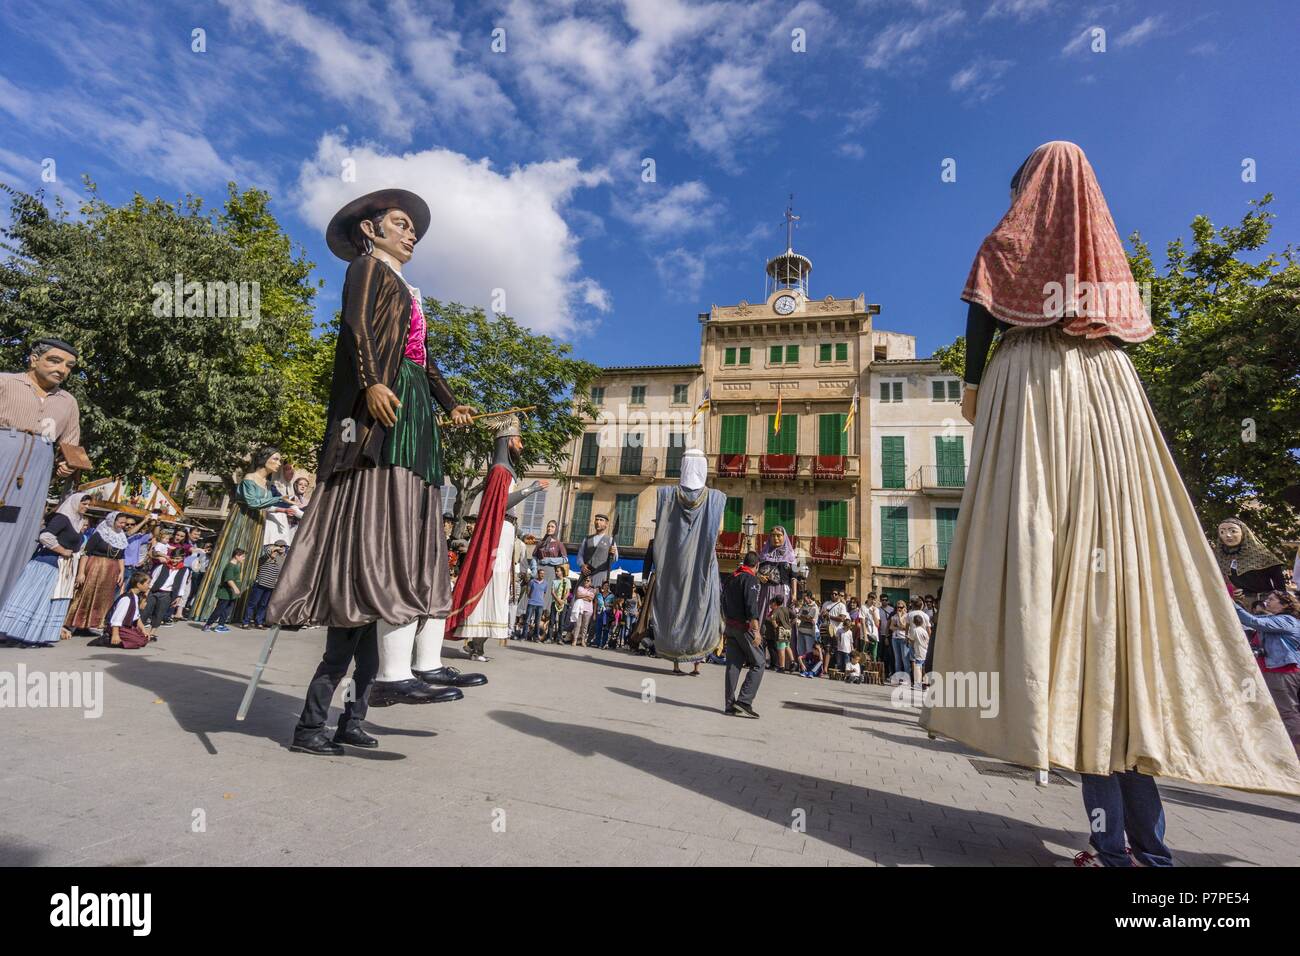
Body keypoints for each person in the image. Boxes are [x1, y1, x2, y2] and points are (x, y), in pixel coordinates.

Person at [920, 141, 1300, 869]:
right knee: (1120, 647)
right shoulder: (1109, 270)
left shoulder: (1009, 247)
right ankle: (1147, 853)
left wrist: (975, 390)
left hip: (1034, 397)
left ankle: (1114, 850)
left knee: (1078, 641)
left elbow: (981, 323)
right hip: (1109, 408)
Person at [264, 190, 478, 754]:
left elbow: (424, 360)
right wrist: (371, 382)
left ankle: (353, 721)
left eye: (415, 231)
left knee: (364, 638)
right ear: (372, 227)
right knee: (343, 645)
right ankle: (312, 728)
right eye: (403, 225)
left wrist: (450, 401)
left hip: (410, 401)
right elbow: (357, 328)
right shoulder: (367, 268)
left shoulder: (411, 291)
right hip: (383, 399)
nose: (412, 236)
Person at [448, 415, 546, 661]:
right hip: (498, 535)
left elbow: (505, 511)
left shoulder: (505, 471)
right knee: (491, 583)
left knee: (499, 586)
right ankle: (475, 643)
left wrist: (521, 533)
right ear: (508, 441)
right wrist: (531, 489)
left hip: (506, 533)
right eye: (519, 440)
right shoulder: (499, 471)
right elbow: (500, 505)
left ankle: (477, 643)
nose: (522, 446)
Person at [0, 339, 84, 611]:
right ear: (33, 359)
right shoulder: (6, 382)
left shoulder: (68, 402)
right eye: (54, 360)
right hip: (4, 451)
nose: (62, 369)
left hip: (38, 467)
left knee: (19, 535)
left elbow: (70, 443)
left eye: (69, 366)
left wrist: (67, 465)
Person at [191, 447, 300, 622]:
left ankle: (235, 612)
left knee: (249, 562)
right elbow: (252, 501)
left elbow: (262, 504)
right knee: (233, 556)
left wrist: (280, 508)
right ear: (264, 459)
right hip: (242, 522)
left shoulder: (266, 483)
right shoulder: (250, 478)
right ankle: (211, 609)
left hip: (256, 523)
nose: (279, 464)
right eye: (276, 459)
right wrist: (280, 500)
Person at [651, 448, 726, 678]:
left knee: (673, 606)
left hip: (673, 565)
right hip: (702, 564)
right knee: (701, 605)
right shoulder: (716, 498)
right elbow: (719, 531)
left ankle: (675, 663)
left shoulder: (665, 495)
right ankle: (697, 663)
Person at [0, 492, 90, 646]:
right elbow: (45, 536)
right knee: (35, 599)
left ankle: (35, 636)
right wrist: (61, 550)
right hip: (46, 564)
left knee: (47, 602)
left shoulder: (78, 522)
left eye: (88, 504)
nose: (86, 507)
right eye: (84, 503)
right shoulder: (62, 518)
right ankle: (15, 633)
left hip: (62, 568)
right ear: (75, 502)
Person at [1233, 590, 1300, 758]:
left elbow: (1252, 621)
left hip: (1282, 672)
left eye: (1272, 599)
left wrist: (1227, 600)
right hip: (1268, 672)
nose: (1266, 601)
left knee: (1287, 711)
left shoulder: (1286, 620)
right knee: (1258, 705)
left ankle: (1296, 752)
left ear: (1285, 604)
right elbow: (1247, 623)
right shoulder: (1272, 619)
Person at [66, 511, 135, 637]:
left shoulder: (121, 537)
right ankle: (75, 623)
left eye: (124, 523)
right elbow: (86, 553)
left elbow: (121, 557)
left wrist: (121, 573)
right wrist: (81, 572)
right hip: (95, 567)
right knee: (86, 594)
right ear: (112, 521)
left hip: (111, 571)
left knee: (102, 599)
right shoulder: (99, 534)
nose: (123, 525)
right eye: (121, 522)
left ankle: (90, 624)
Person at [721, 550, 764, 717]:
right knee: (759, 663)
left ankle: (729, 705)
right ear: (757, 565)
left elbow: (723, 600)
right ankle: (745, 701)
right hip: (743, 627)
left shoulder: (731, 577)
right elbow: (751, 604)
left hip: (730, 626)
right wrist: (756, 631)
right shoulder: (750, 579)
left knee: (733, 665)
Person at [1213, 518, 1288, 605]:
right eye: (1222, 532)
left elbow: (1280, 587)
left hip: (1265, 604)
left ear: (1243, 533)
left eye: (1233, 531)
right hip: (1239, 604)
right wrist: (1231, 591)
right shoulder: (1219, 558)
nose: (1228, 535)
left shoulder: (1262, 555)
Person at [89, 571, 151, 649]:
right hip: (117, 628)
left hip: (126, 627)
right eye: (147, 583)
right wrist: (115, 634)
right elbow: (116, 618)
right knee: (139, 642)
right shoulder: (126, 599)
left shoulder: (135, 597)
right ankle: (108, 638)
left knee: (144, 638)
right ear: (139, 585)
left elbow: (137, 617)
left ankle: (127, 637)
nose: (149, 586)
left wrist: (143, 630)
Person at [142, 554, 191, 636]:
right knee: (145, 611)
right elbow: (153, 578)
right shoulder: (162, 566)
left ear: (182, 558)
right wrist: (147, 591)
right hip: (154, 591)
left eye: (177, 558)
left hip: (167, 594)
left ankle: (152, 633)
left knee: (159, 613)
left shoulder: (184, 570)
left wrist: (179, 597)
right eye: (173, 558)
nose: (174, 561)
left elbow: (182, 584)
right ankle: (139, 630)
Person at [242, 541, 286, 629]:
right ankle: (245, 622)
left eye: (284, 546)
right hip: (260, 584)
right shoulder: (265, 557)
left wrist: (281, 552)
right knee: (252, 604)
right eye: (280, 546)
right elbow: (267, 551)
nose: (282, 548)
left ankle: (259, 622)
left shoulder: (282, 559)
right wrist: (275, 548)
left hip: (271, 586)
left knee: (263, 605)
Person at [202, 548, 245, 633]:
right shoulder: (230, 566)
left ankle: (221, 625)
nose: (244, 558)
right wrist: (235, 588)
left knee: (227, 610)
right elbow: (229, 579)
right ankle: (208, 624)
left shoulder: (236, 566)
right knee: (219, 609)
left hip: (231, 594)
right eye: (242, 556)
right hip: (225, 592)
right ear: (237, 556)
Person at [580, 514, 618, 587]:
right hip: (586, 573)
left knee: (598, 596)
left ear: (606, 524)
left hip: (601, 574)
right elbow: (580, 555)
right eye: (596, 519)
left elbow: (615, 559)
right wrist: (582, 565)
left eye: (601, 520)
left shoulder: (610, 540)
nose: (598, 522)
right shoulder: (587, 539)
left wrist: (613, 553)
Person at [765, 594, 795, 672]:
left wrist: (776, 627)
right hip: (788, 630)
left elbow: (773, 619)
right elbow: (795, 617)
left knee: (781, 648)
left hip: (781, 630)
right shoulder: (787, 609)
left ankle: (782, 667)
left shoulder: (776, 610)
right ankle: (793, 662)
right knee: (787, 646)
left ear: (775, 602)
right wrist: (790, 624)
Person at [570, 575, 596, 647]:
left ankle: (582, 640)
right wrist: (586, 596)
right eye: (585, 580)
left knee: (585, 626)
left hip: (588, 610)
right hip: (580, 609)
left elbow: (590, 598)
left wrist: (583, 596)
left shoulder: (593, 590)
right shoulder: (580, 588)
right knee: (577, 625)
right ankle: (574, 640)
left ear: (591, 583)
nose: (586, 582)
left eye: (588, 581)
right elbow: (578, 596)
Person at [888, 600, 910, 683]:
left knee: (905, 659)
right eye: (897, 607)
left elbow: (904, 627)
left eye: (901, 607)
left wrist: (900, 617)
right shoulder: (894, 616)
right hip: (895, 638)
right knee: (897, 659)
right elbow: (891, 627)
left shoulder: (907, 616)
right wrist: (898, 627)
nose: (899, 609)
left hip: (903, 638)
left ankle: (907, 678)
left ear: (904, 607)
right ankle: (897, 677)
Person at [523, 573, 547, 641]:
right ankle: (524, 636)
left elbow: (544, 593)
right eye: (541, 573)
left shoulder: (545, 583)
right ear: (538, 574)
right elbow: (528, 590)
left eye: (543, 574)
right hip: (531, 602)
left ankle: (536, 637)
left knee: (537, 621)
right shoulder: (532, 581)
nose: (542, 575)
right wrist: (530, 596)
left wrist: (540, 599)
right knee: (527, 620)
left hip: (540, 604)